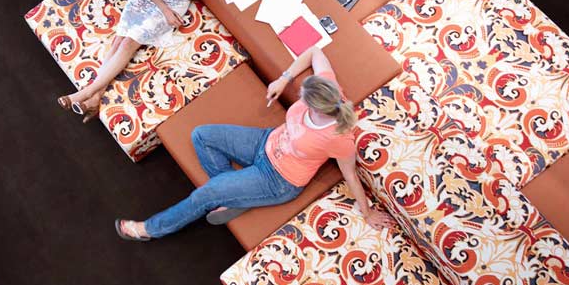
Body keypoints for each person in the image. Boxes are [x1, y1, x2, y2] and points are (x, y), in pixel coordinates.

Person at [114, 46, 397, 241]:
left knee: (206, 195)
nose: (298, 94)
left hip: (278, 179)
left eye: (302, 97)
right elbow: (315, 51)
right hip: (265, 141)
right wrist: (282, 78)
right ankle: (237, 196)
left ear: (317, 107)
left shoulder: (338, 138)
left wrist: (368, 210)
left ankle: (149, 229)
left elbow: (350, 174)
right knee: (202, 135)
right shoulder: (328, 87)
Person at [58, 0, 241, 122]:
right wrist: (161, 7)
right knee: (118, 41)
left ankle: (83, 93)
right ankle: (95, 98)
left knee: (128, 43)